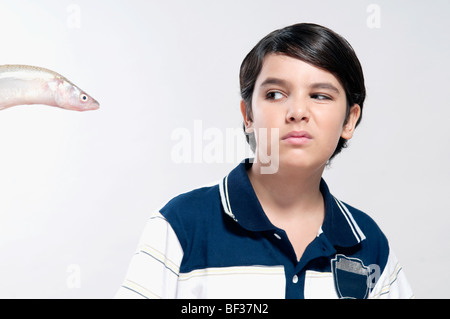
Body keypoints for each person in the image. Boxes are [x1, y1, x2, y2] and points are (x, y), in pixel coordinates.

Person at [115, 23, 414, 299]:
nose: (297, 111)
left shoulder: (369, 243)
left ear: (349, 120)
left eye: (320, 96)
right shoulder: (180, 226)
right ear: (248, 116)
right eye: (275, 94)